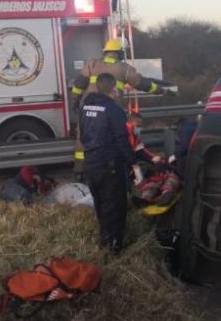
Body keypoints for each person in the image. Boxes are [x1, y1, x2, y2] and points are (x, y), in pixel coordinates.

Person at [71, 38, 170, 179]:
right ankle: (115, 172)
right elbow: (143, 84)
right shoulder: (124, 68)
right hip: (110, 111)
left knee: (82, 140)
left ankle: (79, 172)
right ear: (119, 53)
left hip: (89, 110)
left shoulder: (92, 64)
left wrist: (75, 102)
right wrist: (162, 91)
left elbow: (79, 84)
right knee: (114, 139)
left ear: (105, 52)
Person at [79, 73, 134, 253]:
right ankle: (114, 248)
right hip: (110, 165)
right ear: (113, 89)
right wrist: (132, 161)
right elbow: (121, 139)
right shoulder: (114, 110)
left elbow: (83, 132)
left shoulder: (85, 106)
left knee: (101, 204)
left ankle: (104, 242)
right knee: (115, 205)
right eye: (117, 89)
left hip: (91, 163)